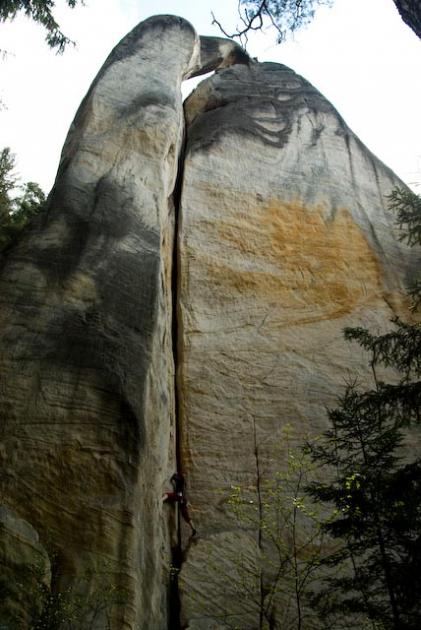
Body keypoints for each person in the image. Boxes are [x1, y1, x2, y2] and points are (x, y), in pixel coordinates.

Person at [163, 472, 197, 536]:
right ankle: (193, 529)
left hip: (180, 497)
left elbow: (175, 478)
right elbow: (176, 479)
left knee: (169, 495)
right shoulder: (182, 483)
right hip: (182, 498)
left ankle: (161, 500)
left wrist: (174, 476)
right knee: (185, 515)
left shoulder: (181, 480)